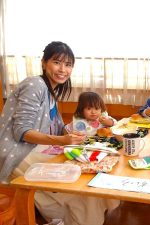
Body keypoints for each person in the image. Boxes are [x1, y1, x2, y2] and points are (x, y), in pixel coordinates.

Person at [0, 41, 119, 225]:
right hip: (17, 153)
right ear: (44, 62)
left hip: (39, 149)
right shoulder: (35, 84)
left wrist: (77, 133)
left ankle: (73, 218)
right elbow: (21, 131)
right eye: (57, 62)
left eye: (68, 64)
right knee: (78, 184)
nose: (62, 69)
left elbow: (60, 128)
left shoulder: (51, 94)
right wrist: (63, 139)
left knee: (89, 171)